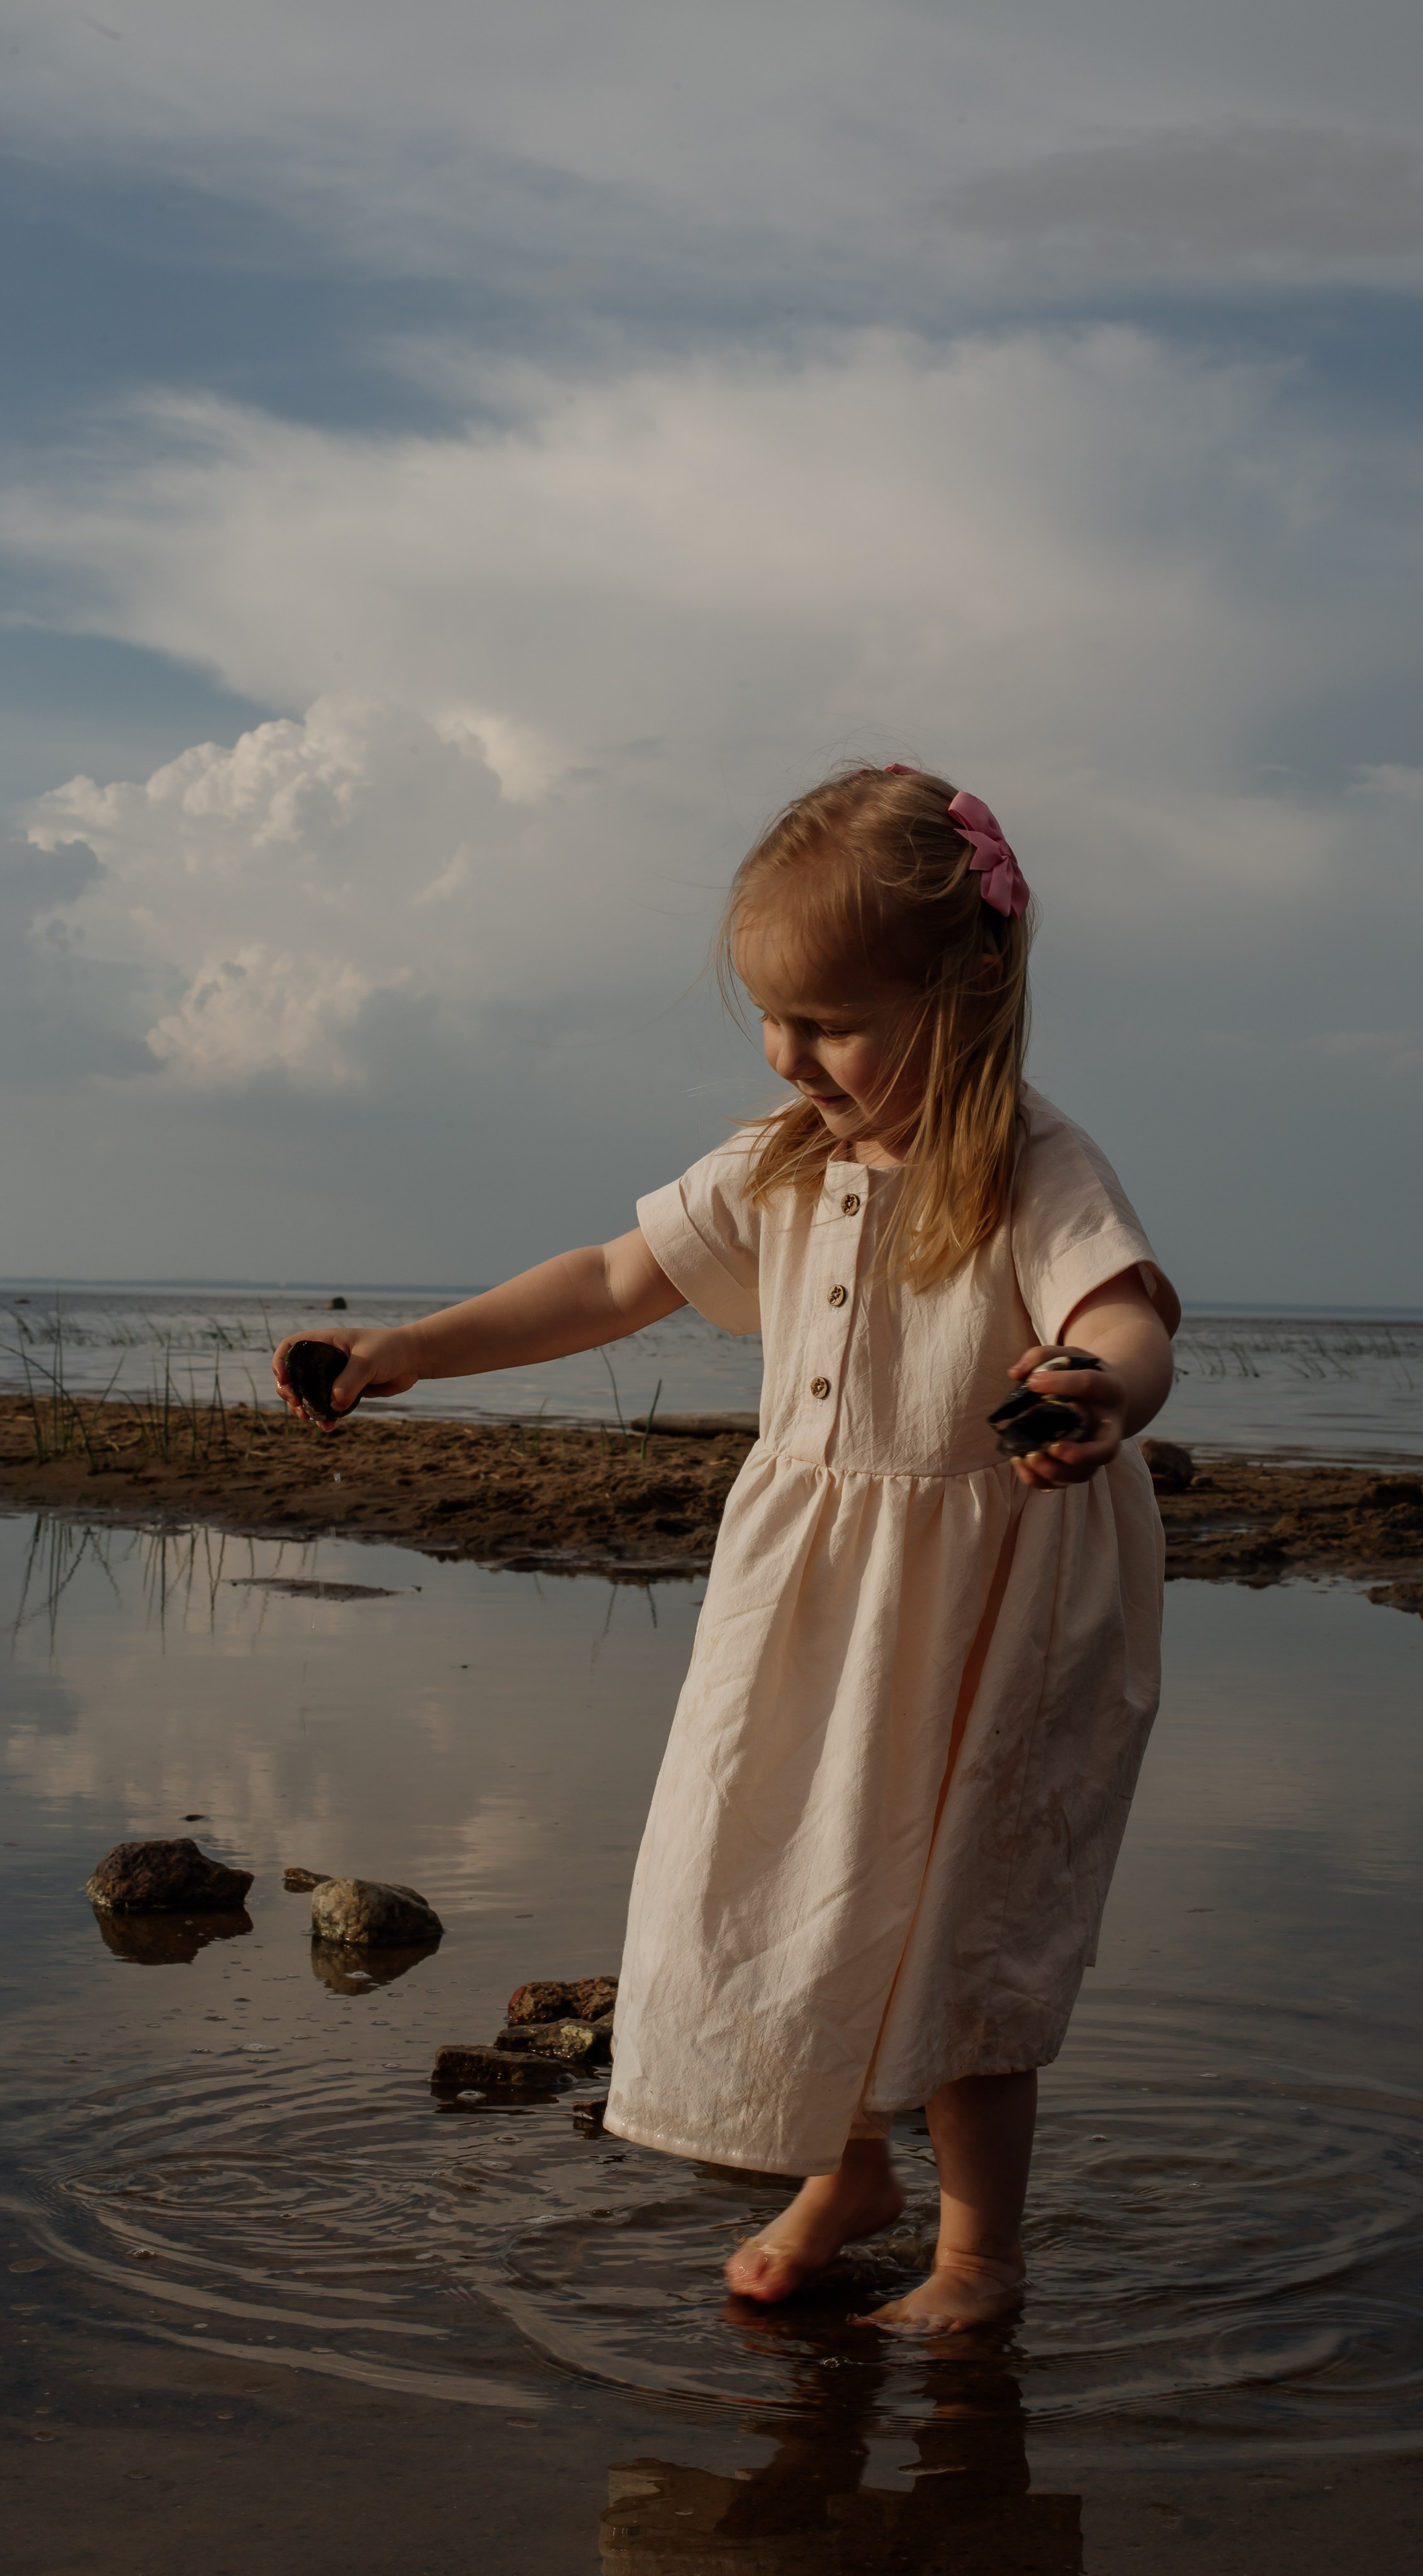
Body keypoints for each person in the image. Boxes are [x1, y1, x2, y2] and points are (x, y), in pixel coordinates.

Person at [273, 763, 1178, 2335]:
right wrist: (406, 1349)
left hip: (992, 1601)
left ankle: (978, 2256)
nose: (789, 1054)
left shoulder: (1026, 1165)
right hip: (812, 1611)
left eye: (831, 1022)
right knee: (788, 1883)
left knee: (962, 1919)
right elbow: (614, 1276)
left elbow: (1122, 1310)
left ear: (965, 988)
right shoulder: (780, 1162)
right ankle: (846, 2169)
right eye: (769, 1018)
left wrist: (1098, 1389)